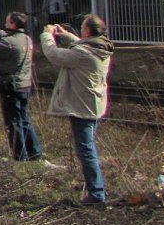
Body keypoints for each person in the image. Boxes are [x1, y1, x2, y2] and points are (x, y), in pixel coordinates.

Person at [39, 14, 114, 205]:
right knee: (87, 148)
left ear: (87, 31)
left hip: (82, 107)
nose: (80, 30)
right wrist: (66, 36)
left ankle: (96, 193)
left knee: (86, 150)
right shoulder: (102, 48)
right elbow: (83, 46)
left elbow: (54, 54)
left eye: (82, 27)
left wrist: (47, 35)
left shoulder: (82, 54)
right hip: (93, 104)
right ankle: (96, 191)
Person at [0, 11, 48, 163]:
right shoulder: (26, 39)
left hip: (11, 87)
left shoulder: (9, 43)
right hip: (24, 86)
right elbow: (8, 38)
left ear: (13, 24)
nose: (5, 24)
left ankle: (20, 156)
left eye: (8, 22)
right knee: (24, 119)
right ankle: (35, 153)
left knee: (13, 122)